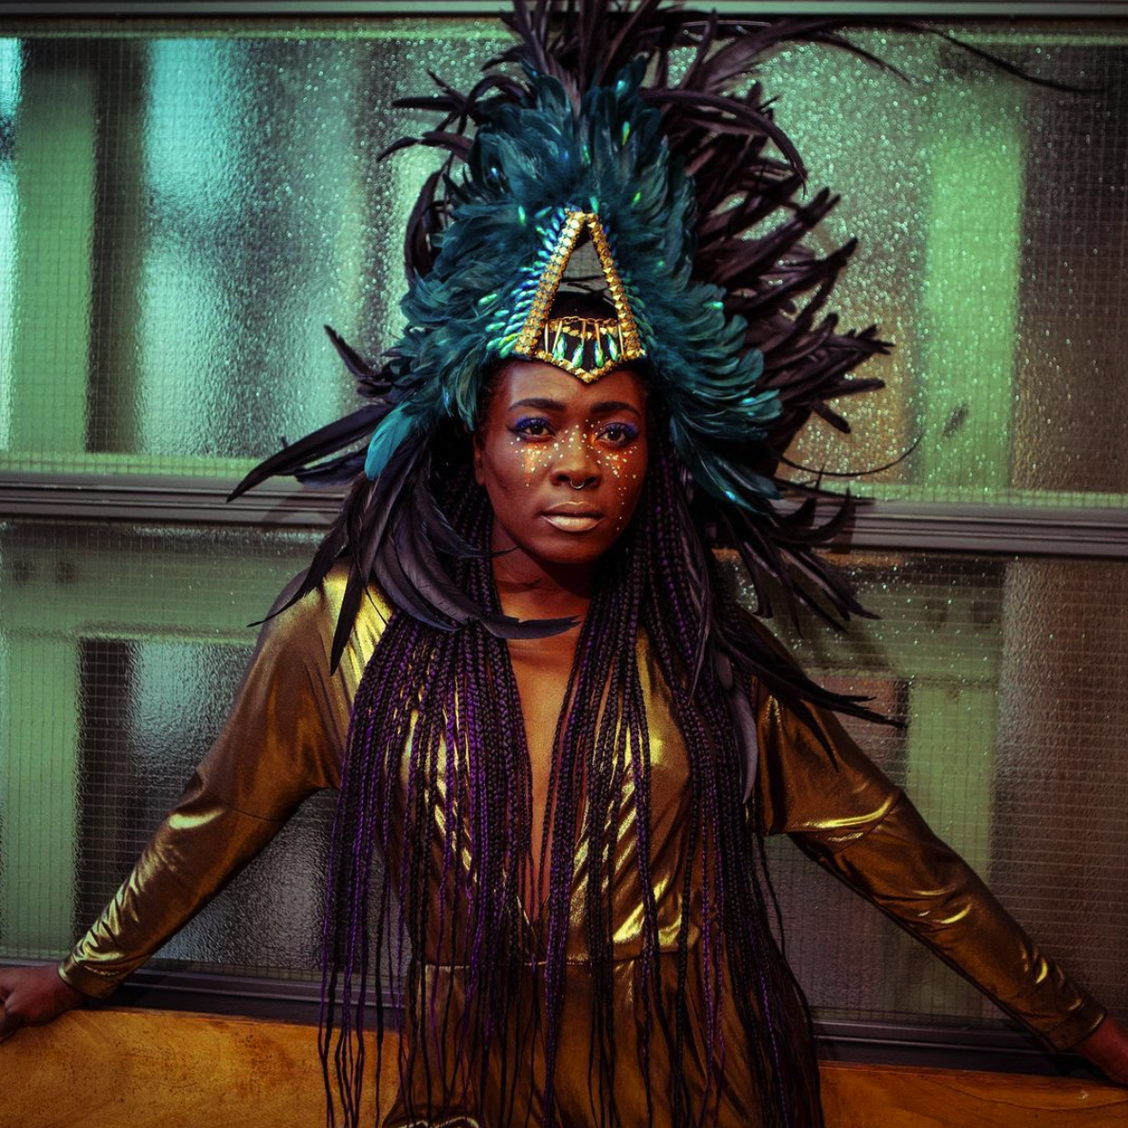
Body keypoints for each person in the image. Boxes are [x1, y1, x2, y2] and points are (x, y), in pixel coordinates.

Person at [1, 4, 1126, 1126]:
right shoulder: (345, 643)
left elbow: (902, 861)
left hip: (697, 1089)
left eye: (616, 432)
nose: (579, 464)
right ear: (475, 447)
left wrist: (1084, 1031)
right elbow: (219, 819)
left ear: (653, 461)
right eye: (537, 426)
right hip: (474, 1090)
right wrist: (86, 972)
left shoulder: (706, 658)